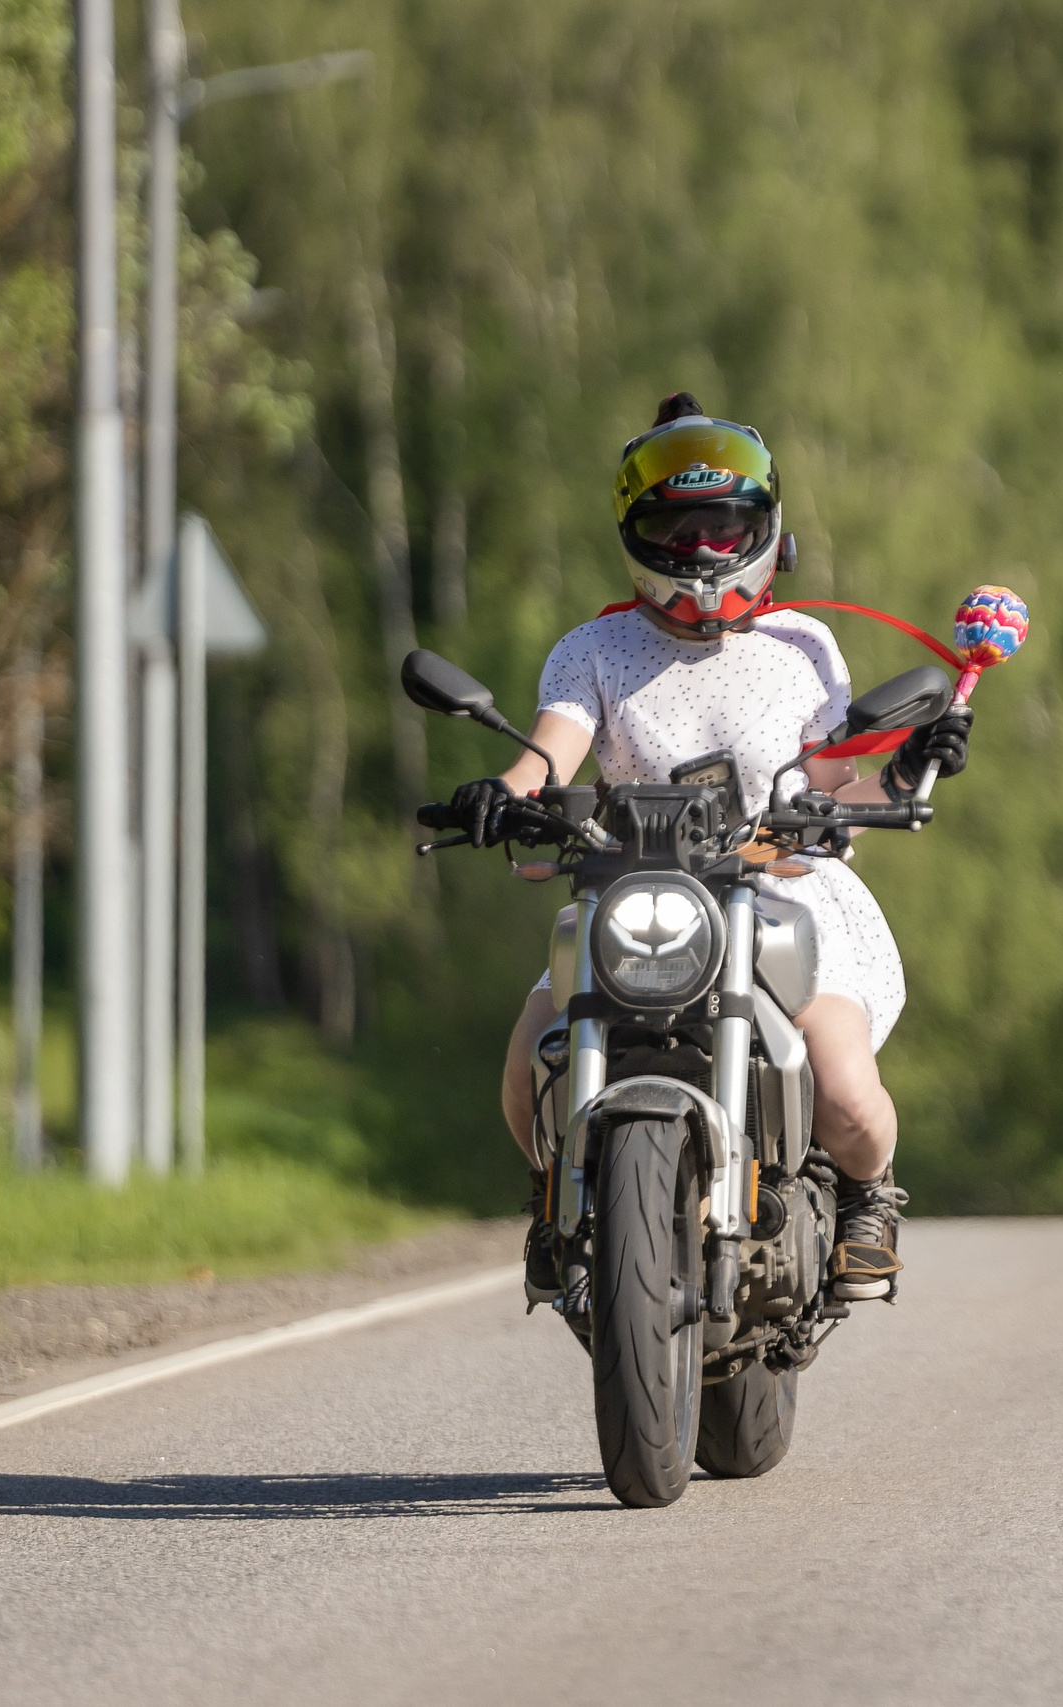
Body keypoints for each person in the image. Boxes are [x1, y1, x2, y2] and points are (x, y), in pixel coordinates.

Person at [448, 392, 971, 1304]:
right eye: (677, 528)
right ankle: (554, 1194)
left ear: (762, 529)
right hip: (636, 891)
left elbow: (830, 780)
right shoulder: (593, 649)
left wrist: (901, 773)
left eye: (722, 526)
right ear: (637, 533)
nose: (700, 551)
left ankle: (867, 1199)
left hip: (783, 887)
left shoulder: (803, 645)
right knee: (531, 1058)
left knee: (846, 1089)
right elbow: (549, 752)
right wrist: (507, 793)